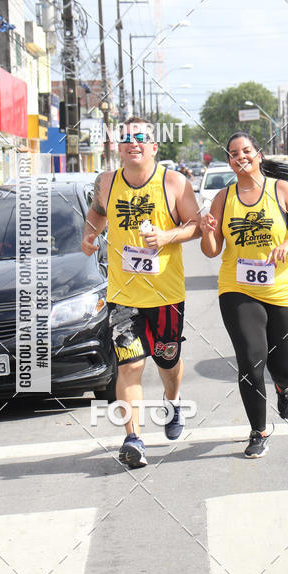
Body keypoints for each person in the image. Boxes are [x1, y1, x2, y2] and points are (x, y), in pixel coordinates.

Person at [81, 118, 200, 468]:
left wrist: (166, 237)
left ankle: (173, 399)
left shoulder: (174, 182)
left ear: (154, 147)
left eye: (141, 138)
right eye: (126, 138)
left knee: (167, 360)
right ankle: (133, 438)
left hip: (166, 295)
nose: (133, 143)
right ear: (117, 147)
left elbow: (194, 225)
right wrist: (90, 235)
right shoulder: (106, 182)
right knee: (130, 366)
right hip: (123, 295)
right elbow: (97, 213)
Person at [200, 132, 288, 458]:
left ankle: (284, 387)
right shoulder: (223, 198)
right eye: (233, 153)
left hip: (282, 289)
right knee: (251, 360)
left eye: (246, 151)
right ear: (228, 160)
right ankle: (258, 430)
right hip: (237, 288)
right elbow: (212, 251)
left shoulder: (280, 190)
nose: (240, 157)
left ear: (258, 154)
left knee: (285, 366)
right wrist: (207, 230)